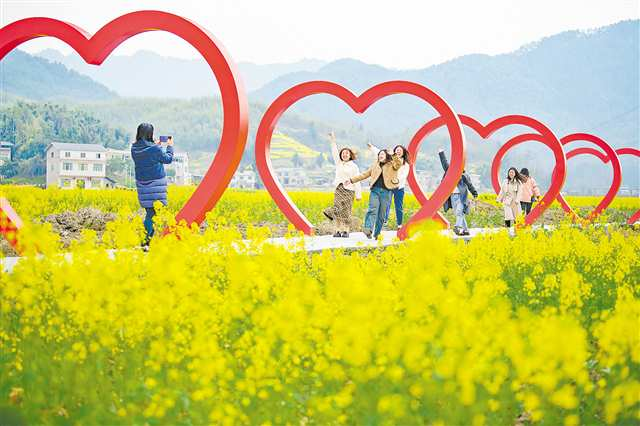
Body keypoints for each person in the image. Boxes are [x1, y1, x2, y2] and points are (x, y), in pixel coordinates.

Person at [131, 123, 174, 246]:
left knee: (151, 213)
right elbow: (168, 159)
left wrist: (156, 145)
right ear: (151, 134)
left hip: (142, 184)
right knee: (152, 214)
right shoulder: (155, 149)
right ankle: (145, 241)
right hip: (156, 183)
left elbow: (148, 153)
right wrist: (170, 146)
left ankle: (147, 242)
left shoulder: (134, 148)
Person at [347, 149, 402, 239]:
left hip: (387, 192)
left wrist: (394, 155)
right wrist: (351, 180)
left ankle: (377, 233)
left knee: (381, 214)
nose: (380, 155)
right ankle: (368, 229)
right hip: (375, 191)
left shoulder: (393, 164)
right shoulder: (375, 165)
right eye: (379, 154)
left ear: (387, 155)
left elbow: (399, 163)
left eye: (383, 154)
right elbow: (364, 175)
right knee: (372, 209)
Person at [322, 132, 362, 238]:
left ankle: (345, 231)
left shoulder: (354, 166)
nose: (344, 154)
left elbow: (357, 180)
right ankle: (337, 230)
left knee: (346, 212)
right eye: (343, 153)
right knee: (337, 210)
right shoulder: (338, 163)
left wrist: (358, 195)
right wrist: (333, 140)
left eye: (347, 153)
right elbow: (334, 151)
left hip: (349, 191)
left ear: (350, 156)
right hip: (339, 189)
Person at [368, 143, 410, 229]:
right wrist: (372, 147)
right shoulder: (390, 161)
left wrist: (396, 181)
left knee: (398, 206)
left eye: (400, 151)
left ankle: (399, 225)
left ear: (403, 153)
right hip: (389, 186)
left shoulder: (405, 165)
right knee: (386, 204)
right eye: (397, 150)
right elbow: (379, 153)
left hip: (399, 187)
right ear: (394, 152)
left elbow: (403, 176)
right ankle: (384, 221)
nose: (398, 152)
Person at [439, 148, 478, 236]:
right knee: (459, 213)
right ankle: (466, 230)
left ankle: (457, 227)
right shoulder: (449, 172)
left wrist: (474, 192)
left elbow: (469, 185)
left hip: (461, 196)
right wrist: (441, 153)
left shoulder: (463, 175)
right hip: (452, 196)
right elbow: (444, 163)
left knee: (459, 212)